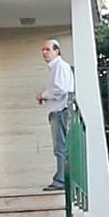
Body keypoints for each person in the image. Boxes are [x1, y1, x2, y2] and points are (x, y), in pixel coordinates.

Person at [40, 37, 81, 190]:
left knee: (60, 147)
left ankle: (61, 180)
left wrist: (43, 95)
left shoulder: (60, 67)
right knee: (61, 147)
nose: (44, 53)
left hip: (60, 110)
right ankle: (61, 178)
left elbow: (60, 90)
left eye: (48, 49)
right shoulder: (57, 67)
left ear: (56, 51)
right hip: (59, 109)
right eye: (43, 50)